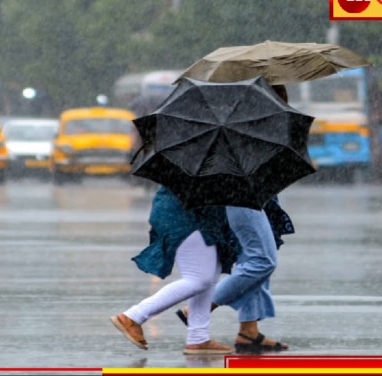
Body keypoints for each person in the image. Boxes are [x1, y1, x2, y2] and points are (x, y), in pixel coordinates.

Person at [176, 84, 293, 353]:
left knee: (254, 258)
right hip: (242, 198)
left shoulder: (258, 123)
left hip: (255, 198)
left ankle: (249, 333)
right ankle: (201, 308)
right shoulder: (247, 126)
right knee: (262, 260)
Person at [110, 185, 241, 355]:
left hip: (201, 217)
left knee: (209, 276)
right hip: (186, 217)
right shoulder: (200, 164)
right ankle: (133, 317)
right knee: (198, 279)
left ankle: (198, 338)